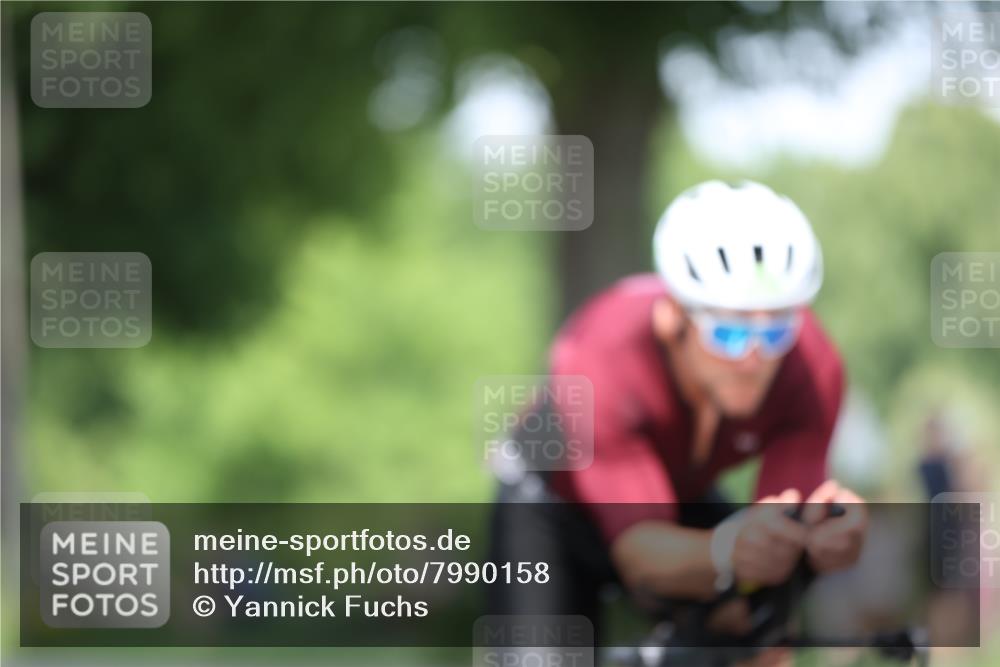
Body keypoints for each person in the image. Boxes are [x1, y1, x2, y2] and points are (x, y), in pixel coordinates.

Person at [487, 181, 869, 651]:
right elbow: (639, 555)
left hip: (673, 492)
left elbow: (777, 529)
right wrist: (728, 551)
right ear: (673, 318)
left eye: (776, 330)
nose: (754, 357)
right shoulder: (599, 354)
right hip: (553, 506)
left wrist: (817, 541)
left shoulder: (812, 365)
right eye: (727, 332)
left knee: (755, 623)